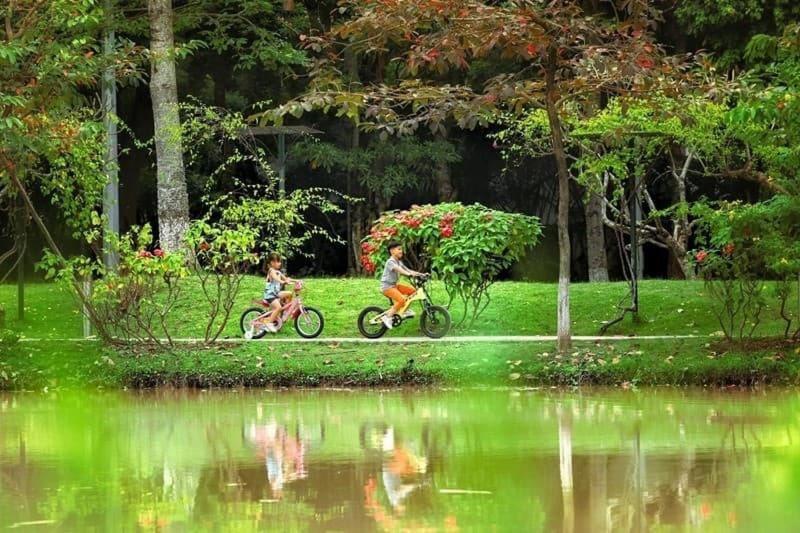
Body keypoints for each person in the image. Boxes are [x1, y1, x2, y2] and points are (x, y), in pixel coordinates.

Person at [380, 241, 425, 329]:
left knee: (413, 292)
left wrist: (421, 274)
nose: (401, 251)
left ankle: (405, 310)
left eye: (401, 249)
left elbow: (408, 270)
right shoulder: (390, 262)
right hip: (387, 287)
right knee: (401, 300)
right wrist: (408, 274)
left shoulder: (399, 262)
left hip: (395, 285)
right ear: (392, 251)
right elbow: (399, 270)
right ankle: (387, 317)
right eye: (399, 249)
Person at [262, 252, 297, 333]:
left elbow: (287, 278)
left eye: (279, 261)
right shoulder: (271, 271)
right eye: (278, 261)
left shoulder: (278, 272)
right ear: (272, 263)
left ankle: (284, 313)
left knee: (289, 294)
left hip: (276, 294)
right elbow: (277, 279)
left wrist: (296, 281)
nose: (280, 263)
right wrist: (283, 282)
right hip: (270, 295)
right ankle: (269, 323)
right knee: (278, 307)